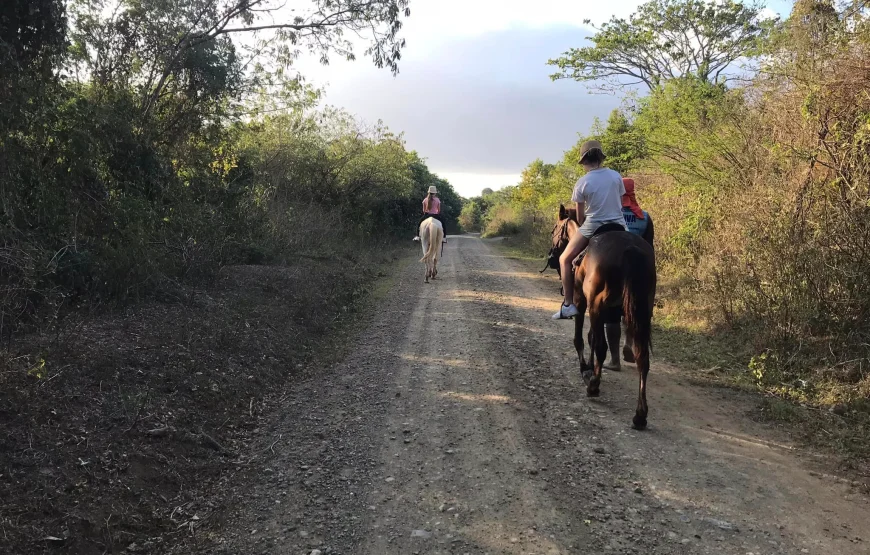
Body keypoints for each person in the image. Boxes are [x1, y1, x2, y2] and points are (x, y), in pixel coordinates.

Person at [552, 140, 627, 320]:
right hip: (619, 225)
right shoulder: (616, 176)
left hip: (594, 225)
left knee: (564, 259)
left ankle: (568, 304)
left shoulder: (583, 182)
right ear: (601, 158)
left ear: (584, 160)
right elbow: (621, 203)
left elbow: (579, 217)